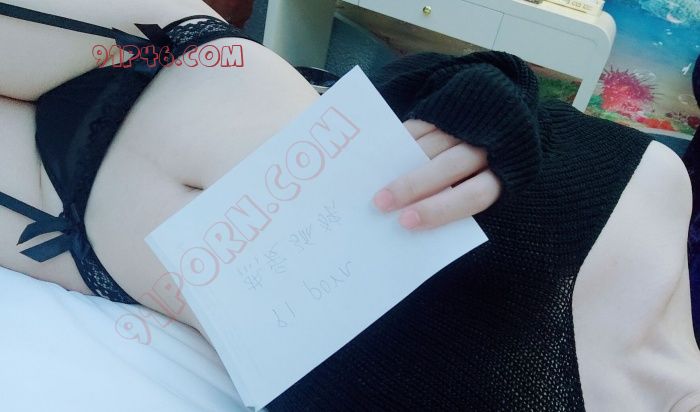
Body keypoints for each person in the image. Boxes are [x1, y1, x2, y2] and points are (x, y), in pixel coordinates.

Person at [0, 0, 698, 410]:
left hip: (70, 227)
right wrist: (488, 98)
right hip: (160, 54)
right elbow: (423, 88)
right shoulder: (656, 189)